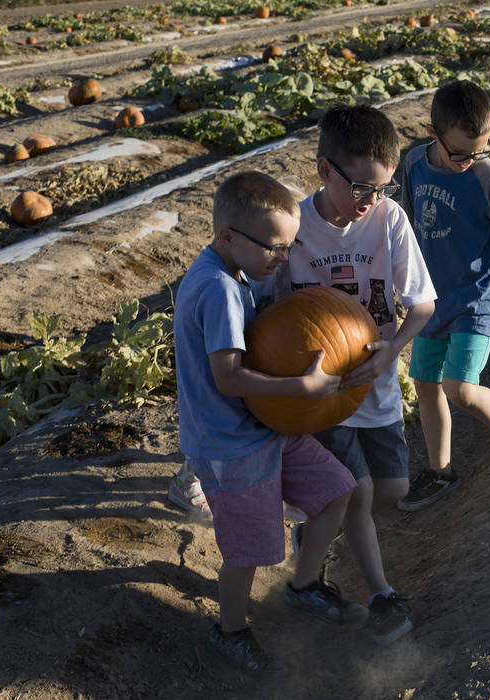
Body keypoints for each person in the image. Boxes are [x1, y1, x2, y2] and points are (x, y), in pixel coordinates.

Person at [174, 170, 368, 674]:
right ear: (227, 237)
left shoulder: (239, 271)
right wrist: (299, 389)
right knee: (249, 550)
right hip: (231, 441)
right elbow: (229, 377)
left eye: (289, 247)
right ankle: (230, 631)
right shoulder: (216, 289)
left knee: (336, 490)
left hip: (267, 426)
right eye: (274, 249)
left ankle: (303, 587)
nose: (283, 258)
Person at [260, 105, 436, 646]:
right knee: (357, 491)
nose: (370, 200)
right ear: (323, 171)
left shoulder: (389, 220)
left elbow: (423, 304)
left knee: (392, 489)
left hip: (376, 381)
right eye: (359, 187)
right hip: (325, 391)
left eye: (382, 189)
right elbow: (267, 315)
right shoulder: (294, 230)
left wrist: (392, 352)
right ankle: (380, 597)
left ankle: (315, 531)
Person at [397, 80, 490, 512]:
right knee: (426, 384)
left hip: (477, 298)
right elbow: (403, 225)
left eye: (481, 149)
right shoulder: (414, 166)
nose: (470, 160)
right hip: (432, 299)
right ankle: (440, 472)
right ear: (433, 133)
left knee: (458, 387)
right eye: (461, 153)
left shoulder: (487, 176)